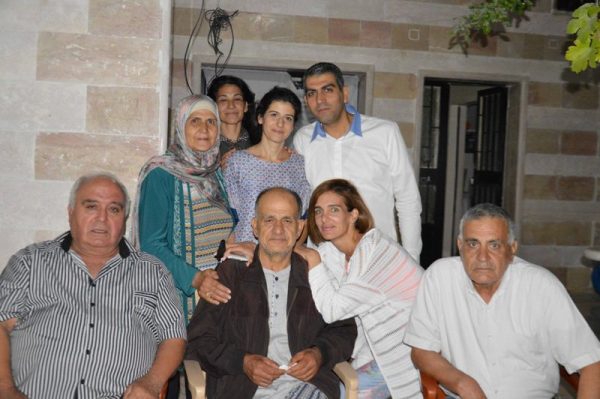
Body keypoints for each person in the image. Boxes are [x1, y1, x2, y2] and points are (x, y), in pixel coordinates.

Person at [0, 173, 186, 399]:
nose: (102, 218)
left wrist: (151, 383)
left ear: (125, 218)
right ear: (71, 212)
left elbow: (174, 338)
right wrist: (6, 390)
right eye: (91, 207)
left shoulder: (153, 271)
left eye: (114, 209)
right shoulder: (29, 262)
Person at [404, 203, 600, 399]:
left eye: (494, 245)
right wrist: (463, 383)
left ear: (512, 249)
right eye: (473, 243)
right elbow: (421, 350)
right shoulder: (439, 277)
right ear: (460, 245)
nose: (482, 257)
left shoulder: (542, 286)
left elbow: (592, 364)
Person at [186, 187, 357, 399]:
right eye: (269, 220)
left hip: (306, 387)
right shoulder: (231, 274)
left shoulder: (314, 274)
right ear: (255, 227)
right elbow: (199, 340)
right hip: (241, 389)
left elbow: (344, 329)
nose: (278, 230)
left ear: (299, 228)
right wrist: (243, 362)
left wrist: (319, 354)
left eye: (287, 220)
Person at [297, 178, 424, 399]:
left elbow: (332, 310)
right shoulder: (341, 251)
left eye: (334, 210)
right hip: (380, 351)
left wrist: (312, 258)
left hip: (413, 359)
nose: (324, 218)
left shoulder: (374, 254)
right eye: (318, 211)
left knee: (336, 393)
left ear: (354, 214)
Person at [293, 62, 422, 261]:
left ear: (344, 94)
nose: (320, 100)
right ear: (306, 101)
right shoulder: (303, 139)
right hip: (326, 260)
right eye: (312, 93)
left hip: (379, 257)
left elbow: (407, 199)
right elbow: (299, 200)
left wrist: (411, 258)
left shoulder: (384, 132)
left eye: (328, 89)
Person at [133, 94, 239, 322]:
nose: (204, 128)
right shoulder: (162, 173)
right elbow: (151, 245)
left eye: (211, 121)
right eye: (195, 121)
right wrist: (196, 278)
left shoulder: (217, 174)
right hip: (178, 297)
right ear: (181, 127)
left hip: (218, 295)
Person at [224, 86, 312, 243]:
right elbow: (230, 218)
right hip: (245, 253)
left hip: (285, 257)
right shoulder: (237, 162)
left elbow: (303, 219)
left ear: (293, 126)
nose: (280, 123)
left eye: (288, 118)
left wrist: (295, 254)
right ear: (260, 118)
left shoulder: (300, 165)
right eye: (274, 115)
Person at [207, 75, 259, 159]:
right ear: (214, 106)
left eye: (237, 99)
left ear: (245, 106)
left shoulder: (259, 144)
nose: (231, 106)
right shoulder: (204, 143)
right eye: (223, 100)